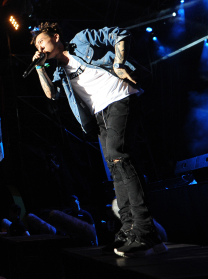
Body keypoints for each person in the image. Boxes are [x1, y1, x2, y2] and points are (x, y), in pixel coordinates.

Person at [30, 22, 166, 257]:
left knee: (119, 157)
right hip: (100, 116)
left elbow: (120, 33)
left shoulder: (82, 40)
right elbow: (52, 95)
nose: (39, 46)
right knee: (116, 169)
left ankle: (145, 231)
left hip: (120, 96)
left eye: (41, 41)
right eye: (36, 45)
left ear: (56, 36)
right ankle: (129, 232)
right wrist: (40, 68)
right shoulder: (59, 72)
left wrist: (119, 62)